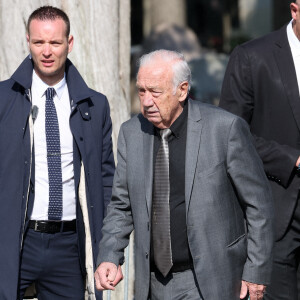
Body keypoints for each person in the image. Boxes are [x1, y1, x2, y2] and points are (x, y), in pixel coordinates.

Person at [94, 49, 273, 300]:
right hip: (153, 283)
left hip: (210, 280)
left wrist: (256, 270)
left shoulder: (224, 129)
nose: (146, 101)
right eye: (141, 91)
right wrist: (110, 256)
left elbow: (259, 205)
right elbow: (121, 205)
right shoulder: (131, 133)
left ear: (182, 90)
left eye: (155, 92)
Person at [0, 6, 115, 300]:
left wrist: (109, 251)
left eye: (55, 42)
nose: (46, 51)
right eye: (39, 43)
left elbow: (106, 182)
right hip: (16, 241)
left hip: (69, 246)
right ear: (28, 41)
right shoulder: (3, 99)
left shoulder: (95, 105)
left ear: (70, 43)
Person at [219, 1, 300, 299]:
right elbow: (232, 136)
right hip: (275, 213)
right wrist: (292, 159)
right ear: (295, 10)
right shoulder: (252, 57)